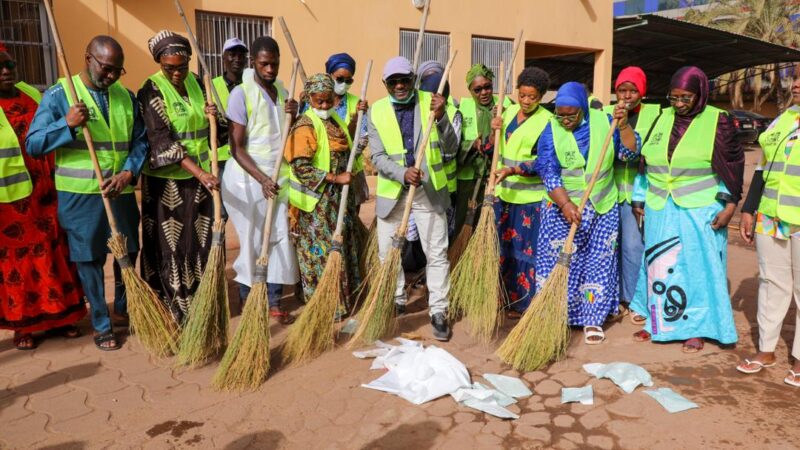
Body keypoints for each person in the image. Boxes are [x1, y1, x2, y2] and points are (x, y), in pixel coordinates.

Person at [27, 36, 145, 351]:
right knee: (89, 260)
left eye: (117, 71)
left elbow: (140, 141)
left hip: (119, 191)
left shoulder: (126, 96)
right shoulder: (58, 95)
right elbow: (34, 143)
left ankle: (125, 308)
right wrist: (67, 124)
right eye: (106, 69)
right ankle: (102, 324)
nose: (110, 77)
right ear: (88, 58)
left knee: (128, 253)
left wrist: (128, 173)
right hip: (80, 195)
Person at [630, 66, 743, 353]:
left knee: (696, 268)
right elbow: (645, 164)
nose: (678, 104)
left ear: (701, 95)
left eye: (686, 98)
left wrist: (730, 205)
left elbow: (732, 168)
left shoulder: (719, 121)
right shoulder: (661, 118)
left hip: (699, 208)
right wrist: (639, 198)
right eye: (674, 97)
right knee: (658, 263)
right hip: (660, 206)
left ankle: (697, 328)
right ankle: (658, 323)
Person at [535, 82, 639, 345]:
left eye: (572, 114)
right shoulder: (551, 130)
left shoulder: (606, 123)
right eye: (561, 114)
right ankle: (554, 316)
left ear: (583, 108)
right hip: (562, 208)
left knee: (598, 263)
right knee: (560, 264)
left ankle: (592, 319)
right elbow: (548, 171)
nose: (565, 120)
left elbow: (628, 154)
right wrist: (565, 204)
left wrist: (624, 125)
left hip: (602, 207)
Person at [0, 43, 86, 350]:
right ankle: (25, 324)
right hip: (11, 201)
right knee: (20, 260)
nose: (6, 71)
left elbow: (51, 128)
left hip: (47, 188)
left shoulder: (33, 94)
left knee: (55, 250)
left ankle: (63, 317)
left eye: (9, 64)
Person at [368, 56, 459, 341]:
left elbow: (451, 147)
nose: (399, 86)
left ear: (413, 80)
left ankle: (439, 309)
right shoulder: (377, 111)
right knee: (388, 253)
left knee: (436, 252)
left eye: (404, 80)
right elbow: (378, 157)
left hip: (428, 191)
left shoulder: (433, 103)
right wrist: (402, 173)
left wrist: (442, 117)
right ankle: (396, 299)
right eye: (393, 82)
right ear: (385, 84)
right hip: (393, 192)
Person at [137, 31, 219, 323]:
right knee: (170, 247)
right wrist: (202, 174)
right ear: (159, 63)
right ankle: (172, 310)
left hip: (199, 180)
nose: (175, 73)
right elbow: (161, 140)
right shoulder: (151, 90)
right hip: (166, 184)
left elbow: (216, 130)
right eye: (168, 67)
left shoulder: (198, 82)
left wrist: (213, 113)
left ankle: (200, 302)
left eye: (181, 67)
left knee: (198, 243)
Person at [221, 36, 299, 324]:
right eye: (264, 64)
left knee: (278, 238)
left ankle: (275, 300)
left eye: (274, 64)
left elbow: (283, 133)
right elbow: (236, 148)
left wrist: (295, 113)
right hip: (248, 179)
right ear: (253, 61)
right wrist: (262, 179)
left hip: (279, 177)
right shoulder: (240, 94)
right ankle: (249, 299)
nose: (270, 69)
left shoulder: (282, 89)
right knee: (253, 240)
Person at [736, 75, 800, 387]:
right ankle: (766, 351)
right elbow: (762, 169)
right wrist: (749, 208)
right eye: (798, 79)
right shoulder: (781, 121)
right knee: (771, 284)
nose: (797, 84)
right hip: (770, 217)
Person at [285, 74, 362, 313]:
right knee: (321, 254)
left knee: (341, 246)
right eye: (319, 101)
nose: (325, 106)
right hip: (316, 205)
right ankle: (325, 305)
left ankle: (345, 299)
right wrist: (335, 178)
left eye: (329, 101)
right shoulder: (305, 126)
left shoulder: (336, 122)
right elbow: (301, 167)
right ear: (309, 99)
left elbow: (346, 152)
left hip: (338, 200)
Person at [491, 67, 552, 318]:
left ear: (542, 97)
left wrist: (515, 169)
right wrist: (493, 128)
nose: (526, 101)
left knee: (525, 252)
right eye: (523, 95)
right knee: (502, 250)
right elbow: (494, 149)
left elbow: (544, 162)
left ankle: (524, 304)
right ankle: (501, 297)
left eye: (533, 97)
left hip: (529, 200)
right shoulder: (508, 112)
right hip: (503, 194)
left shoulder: (548, 122)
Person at [602, 67, 661, 320]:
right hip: (608, 190)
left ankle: (634, 298)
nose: (626, 95)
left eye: (632, 90)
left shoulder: (656, 115)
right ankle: (610, 297)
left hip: (639, 192)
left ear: (642, 91)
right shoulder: (604, 113)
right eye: (621, 90)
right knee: (607, 248)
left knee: (633, 247)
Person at [455, 64, 511, 236]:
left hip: (497, 176)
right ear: (470, 90)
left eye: (487, 87)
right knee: (465, 222)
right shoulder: (462, 109)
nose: (484, 93)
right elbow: (453, 143)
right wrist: (472, 145)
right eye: (477, 89)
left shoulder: (507, 106)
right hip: (469, 178)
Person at [322, 53, 369, 207]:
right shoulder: (316, 100)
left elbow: (362, 137)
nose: (344, 84)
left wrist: (343, 159)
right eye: (340, 79)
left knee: (351, 219)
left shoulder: (357, 103)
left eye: (349, 81)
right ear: (330, 75)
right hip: (323, 171)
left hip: (350, 171)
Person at [211, 37, 247, 177]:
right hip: (220, 159)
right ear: (224, 58)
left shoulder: (252, 86)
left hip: (247, 156)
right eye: (232, 54)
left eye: (241, 55)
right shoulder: (211, 86)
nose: (237, 59)